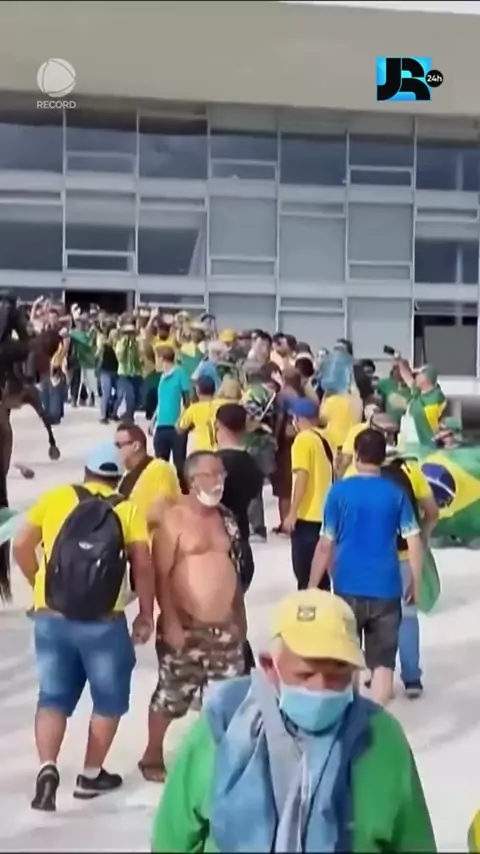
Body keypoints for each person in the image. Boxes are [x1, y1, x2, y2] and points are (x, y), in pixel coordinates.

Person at [151, 588, 436, 854]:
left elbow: (414, 842)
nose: (321, 688)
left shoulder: (380, 737)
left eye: (337, 675)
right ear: (269, 667)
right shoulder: (222, 727)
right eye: (305, 675)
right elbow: (173, 838)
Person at [12, 442, 154, 812]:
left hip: (52, 617)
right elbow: (142, 564)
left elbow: (21, 544)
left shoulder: (57, 497)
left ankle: (47, 769)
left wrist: (39, 584)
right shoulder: (126, 508)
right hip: (103, 623)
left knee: (53, 697)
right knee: (108, 699)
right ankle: (91, 775)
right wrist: (146, 614)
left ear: (87, 473)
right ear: (117, 478)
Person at [138, 451, 247, 782]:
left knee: (231, 695)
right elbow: (161, 574)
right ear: (191, 479)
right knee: (172, 696)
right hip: (185, 625)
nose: (218, 482)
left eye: (221, 475)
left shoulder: (226, 518)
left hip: (225, 626)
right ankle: (152, 754)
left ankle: (222, 757)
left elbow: (233, 569)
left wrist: (240, 616)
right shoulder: (173, 519)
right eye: (210, 475)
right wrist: (169, 620)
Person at [310, 429, 423, 707]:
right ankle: (378, 716)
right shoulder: (395, 493)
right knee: (383, 662)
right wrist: (415, 581)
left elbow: (325, 544)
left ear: (357, 455)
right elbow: (414, 540)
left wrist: (313, 585)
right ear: (383, 458)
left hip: (347, 585)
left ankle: (351, 717)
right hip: (387, 587)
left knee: (348, 657)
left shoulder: (338, 492)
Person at [283, 398, 335, 591]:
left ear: (300, 418)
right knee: (322, 576)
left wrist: (293, 511)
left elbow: (302, 477)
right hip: (326, 514)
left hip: (308, 516)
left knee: (305, 575)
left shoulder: (303, 440)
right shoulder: (326, 438)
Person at [215, 403, 264, 592]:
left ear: (219, 425)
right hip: (242, 539)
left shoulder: (213, 464)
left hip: (217, 545)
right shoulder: (252, 462)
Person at [115, 422, 181, 526]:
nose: (116, 450)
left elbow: (165, 512)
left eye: (119, 445)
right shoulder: (127, 475)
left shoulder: (160, 469)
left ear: (136, 446)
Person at [152, 346, 191, 478]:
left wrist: (183, 421)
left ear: (162, 359)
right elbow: (161, 401)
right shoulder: (162, 377)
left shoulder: (180, 373)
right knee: (160, 465)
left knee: (179, 464)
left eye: (156, 358)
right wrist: (153, 420)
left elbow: (187, 400)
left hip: (176, 426)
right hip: (161, 424)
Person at [177, 375, 219, 452]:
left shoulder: (194, 408)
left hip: (202, 450)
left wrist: (184, 409)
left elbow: (179, 429)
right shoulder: (220, 405)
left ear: (197, 391)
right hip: (219, 449)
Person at [113, 321, 142, 422]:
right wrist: (125, 345)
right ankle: (121, 414)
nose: (130, 336)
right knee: (128, 395)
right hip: (124, 374)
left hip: (134, 373)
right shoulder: (120, 343)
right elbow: (120, 357)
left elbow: (137, 359)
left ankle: (129, 415)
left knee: (135, 396)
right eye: (127, 333)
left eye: (131, 333)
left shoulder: (135, 344)